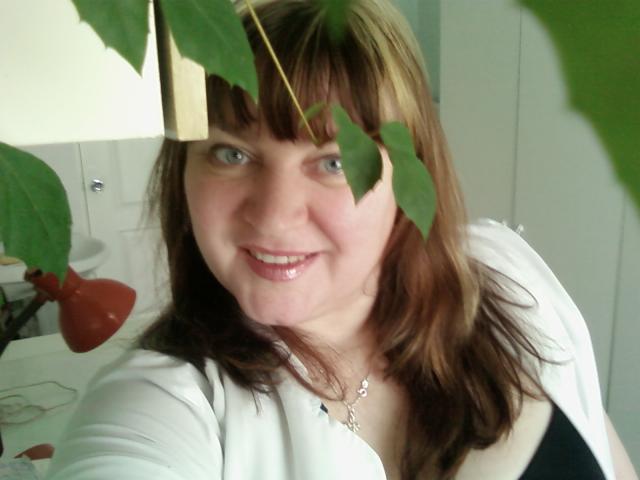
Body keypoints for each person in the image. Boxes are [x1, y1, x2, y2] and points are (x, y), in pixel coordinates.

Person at [45, 0, 637, 479]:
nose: (274, 218)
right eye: (232, 153)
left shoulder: (508, 275)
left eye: (333, 162)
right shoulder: (172, 403)